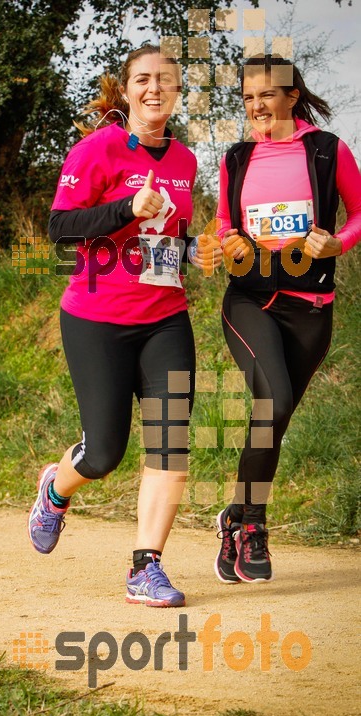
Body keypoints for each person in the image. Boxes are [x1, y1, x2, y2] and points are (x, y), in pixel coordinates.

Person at [28, 44, 220, 607]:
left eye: (166, 79)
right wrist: (125, 210)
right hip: (96, 319)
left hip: (165, 320)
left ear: (179, 90)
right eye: (143, 79)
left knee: (170, 445)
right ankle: (55, 489)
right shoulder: (97, 150)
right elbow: (59, 226)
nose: (154, 88)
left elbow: (163, 243)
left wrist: (194, 253)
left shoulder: (184, 161)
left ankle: (145, 567)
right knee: (104, 454)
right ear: (128, 89)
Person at [213, 55, 361, 584]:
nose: (256, 106)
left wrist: (336, 242)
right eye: (248, 98)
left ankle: (234, 516)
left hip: (311, 308)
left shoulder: (327, 150)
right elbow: (225, 224)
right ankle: (253, 526)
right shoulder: (236, 157)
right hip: (250, 299)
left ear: (292, 96)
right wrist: (227, 240)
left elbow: (359, 211)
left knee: (272, 420)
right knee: (271, 401)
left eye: (266, 95)